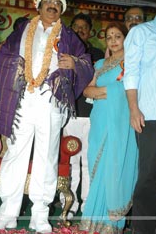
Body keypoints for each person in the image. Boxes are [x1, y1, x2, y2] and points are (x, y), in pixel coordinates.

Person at [0, 0, 94, 232]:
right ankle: (7, 212)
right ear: (38, 4)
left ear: (62, 8)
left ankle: (40, 214)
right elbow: (3, 56)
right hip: (22, 100)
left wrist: (74, 64)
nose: (53, 6)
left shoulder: (69, 36)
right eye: (49, 1)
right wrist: (15, 66)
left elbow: (86, 65)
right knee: (15, 153)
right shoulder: (23, 29)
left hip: (51, 102)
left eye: (58, 4)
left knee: (47, 156)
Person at [80, 21, 138, 234]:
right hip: (99, 120)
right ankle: (93, 220)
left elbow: (128, 89)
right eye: (109, 37)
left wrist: (101, 91)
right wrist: (106, 90)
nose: (113, 41)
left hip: (119, 122)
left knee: (114, 166)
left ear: (125, 39)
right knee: (96, 165)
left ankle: (111, 225)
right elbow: (87, 90)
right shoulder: (99, 64)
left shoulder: (131, 63)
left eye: (117, 36)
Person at [123, 0, 156, 234]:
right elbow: (131, 71)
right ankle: (144, 230)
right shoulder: (142, 32)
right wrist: (133, 108)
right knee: (148, 175)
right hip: (150, 113)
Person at [61, 13, 104, 219]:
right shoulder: (64, 52)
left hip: (92, 115)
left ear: (89, 31)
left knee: (88, 162)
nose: (80, 30)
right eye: (76, 27)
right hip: (69, 114)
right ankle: (68, 205)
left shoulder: (98, 53)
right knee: (70, 161)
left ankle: (88, 205)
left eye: (84, 27)